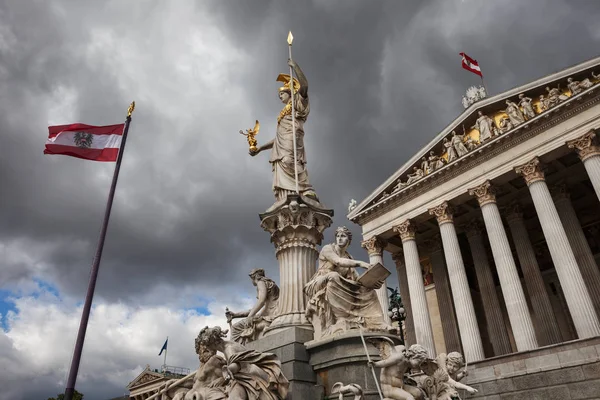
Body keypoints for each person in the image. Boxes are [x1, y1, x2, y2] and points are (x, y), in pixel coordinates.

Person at [249, 59, 319, 205]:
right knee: (283, 163)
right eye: (279, 94)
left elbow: (304, 85)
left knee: (290, 161)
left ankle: (306, 189)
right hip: (283, 142)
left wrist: (295, 67)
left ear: (290, 93)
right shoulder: (282, 113)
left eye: (282, 93)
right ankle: (288, 195)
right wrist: (260, 148)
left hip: (293, 138)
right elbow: (278, 138)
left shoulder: (297, 103)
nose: (280, 96)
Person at [304, 227, 392, 337]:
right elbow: (338, 261)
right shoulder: (328, 249)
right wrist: (360, 263)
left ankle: (378, 323)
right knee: (334, 276)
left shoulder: (348, 257)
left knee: (369, 291)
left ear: (348, 241)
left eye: (343, 236)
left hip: (338, 282)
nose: (339, 238)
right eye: (338, 236)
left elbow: (357, 279)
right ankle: (340, 317)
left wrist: (371, 282)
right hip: (319, 282)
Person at [196, 326, 289, 400]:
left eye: (206, 345)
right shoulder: (228, 345)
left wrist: (227, 371)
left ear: (211, 343)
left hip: (251, 378)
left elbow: (237, 365)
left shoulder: (229, 349)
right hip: (247, 376)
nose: (206, 348)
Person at [225, 269, 279, 344]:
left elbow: (261, 301)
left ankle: (237, 350)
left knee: (235, 328)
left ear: (255, 276)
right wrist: (235, 315)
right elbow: (255, 308)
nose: (251, 281)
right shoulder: (269, 283)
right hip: (272, 311)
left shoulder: (261, 282)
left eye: (251, 278)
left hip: (271, 313)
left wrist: (250, 317)